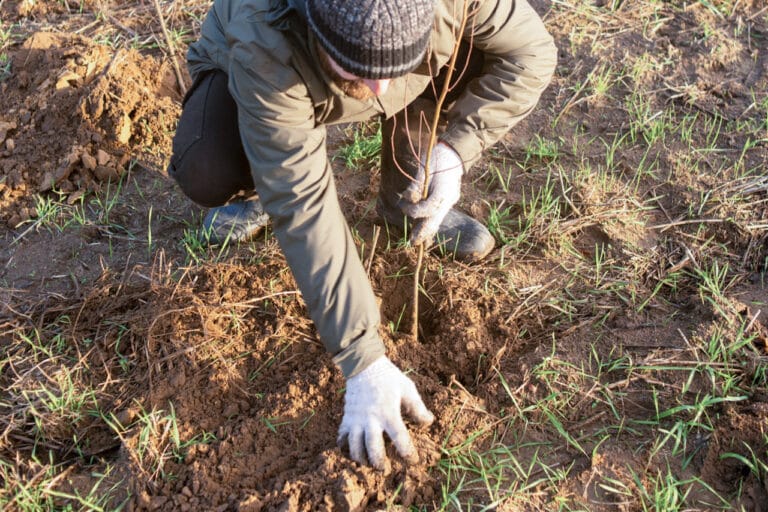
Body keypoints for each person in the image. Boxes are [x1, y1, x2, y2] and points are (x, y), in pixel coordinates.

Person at [168, 0, 557, 470]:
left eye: (393, 67)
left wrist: (456, 149)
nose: (379, 89)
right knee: (208, 167)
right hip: (258, 72)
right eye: (359, 68)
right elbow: (303, 203)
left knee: (466, 50)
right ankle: (253, 184)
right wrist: (364, 360)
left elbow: (531, 53)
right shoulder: (263, 38)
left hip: (412, 49)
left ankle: (409, 193)